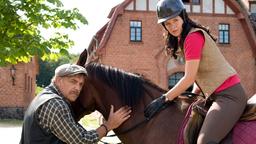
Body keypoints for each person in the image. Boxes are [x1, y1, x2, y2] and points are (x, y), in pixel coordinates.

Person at [145, 0, 247, 143]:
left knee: (205, 141)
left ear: (183, 16)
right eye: (168, 23)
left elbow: (189, 77)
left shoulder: (192, 38)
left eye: (175, 20)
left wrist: (164, 98)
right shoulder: (184, 38)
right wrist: (194, 95)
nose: (173, 26)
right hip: (216, 96)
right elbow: (199, 75)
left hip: (229, 96)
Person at [20, 64, 131, 144]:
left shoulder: (42, 96)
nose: (77, 88)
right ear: (58, 80)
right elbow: (81, 140)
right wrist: (109, 125)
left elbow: (74, 132)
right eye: (73, 81)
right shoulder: (55, 104)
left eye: (81, 84)